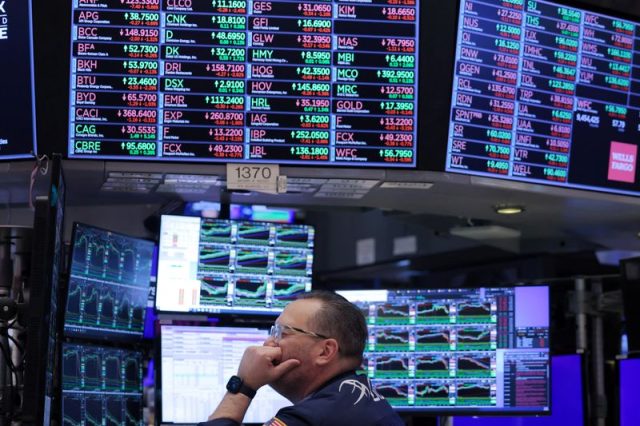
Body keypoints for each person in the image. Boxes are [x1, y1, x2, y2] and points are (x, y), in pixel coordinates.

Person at [198, 291, 404, 426]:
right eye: (273, 331)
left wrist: (243, 387)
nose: (269, 343)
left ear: (325, 351)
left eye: (283, 333)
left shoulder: (309, 418)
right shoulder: (363, 398)